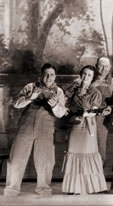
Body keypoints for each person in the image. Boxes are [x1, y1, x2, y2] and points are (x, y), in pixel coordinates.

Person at [3, 63, 67, 196]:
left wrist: (55, 106)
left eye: (52, 75)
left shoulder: (58, 91)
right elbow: (16, 103)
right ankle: (11, 189)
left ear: (55, 76)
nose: (49, 77)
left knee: (45, 159)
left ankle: (44, 189)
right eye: (46, 74)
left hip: (46, 127)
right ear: (41, 75)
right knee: (17, 157)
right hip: (26, 126)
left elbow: (61, 113)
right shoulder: (30, 87)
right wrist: (29, 98)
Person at [62, 65, 106, 195]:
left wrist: (80, 112)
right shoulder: (73, 90)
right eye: (84, 74)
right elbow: (64, 105)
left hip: (87, 127)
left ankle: (91, 187)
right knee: (73, 153)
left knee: (88, 154)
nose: (86, 77)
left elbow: (93, 111)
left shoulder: (95, 92)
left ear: (93, 78)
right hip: (75, 125)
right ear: (80, 75)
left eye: (89, 75)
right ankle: (73, 188)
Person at [92, 56, 113, 165]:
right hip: (87, 116)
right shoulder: (89, 77)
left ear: (110, 67)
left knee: (100, 145)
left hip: (102, 119)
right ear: (96, 66)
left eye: (106, 66)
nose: (104, 69)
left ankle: (99, 173)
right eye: (101, 66)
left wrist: (110, 107)